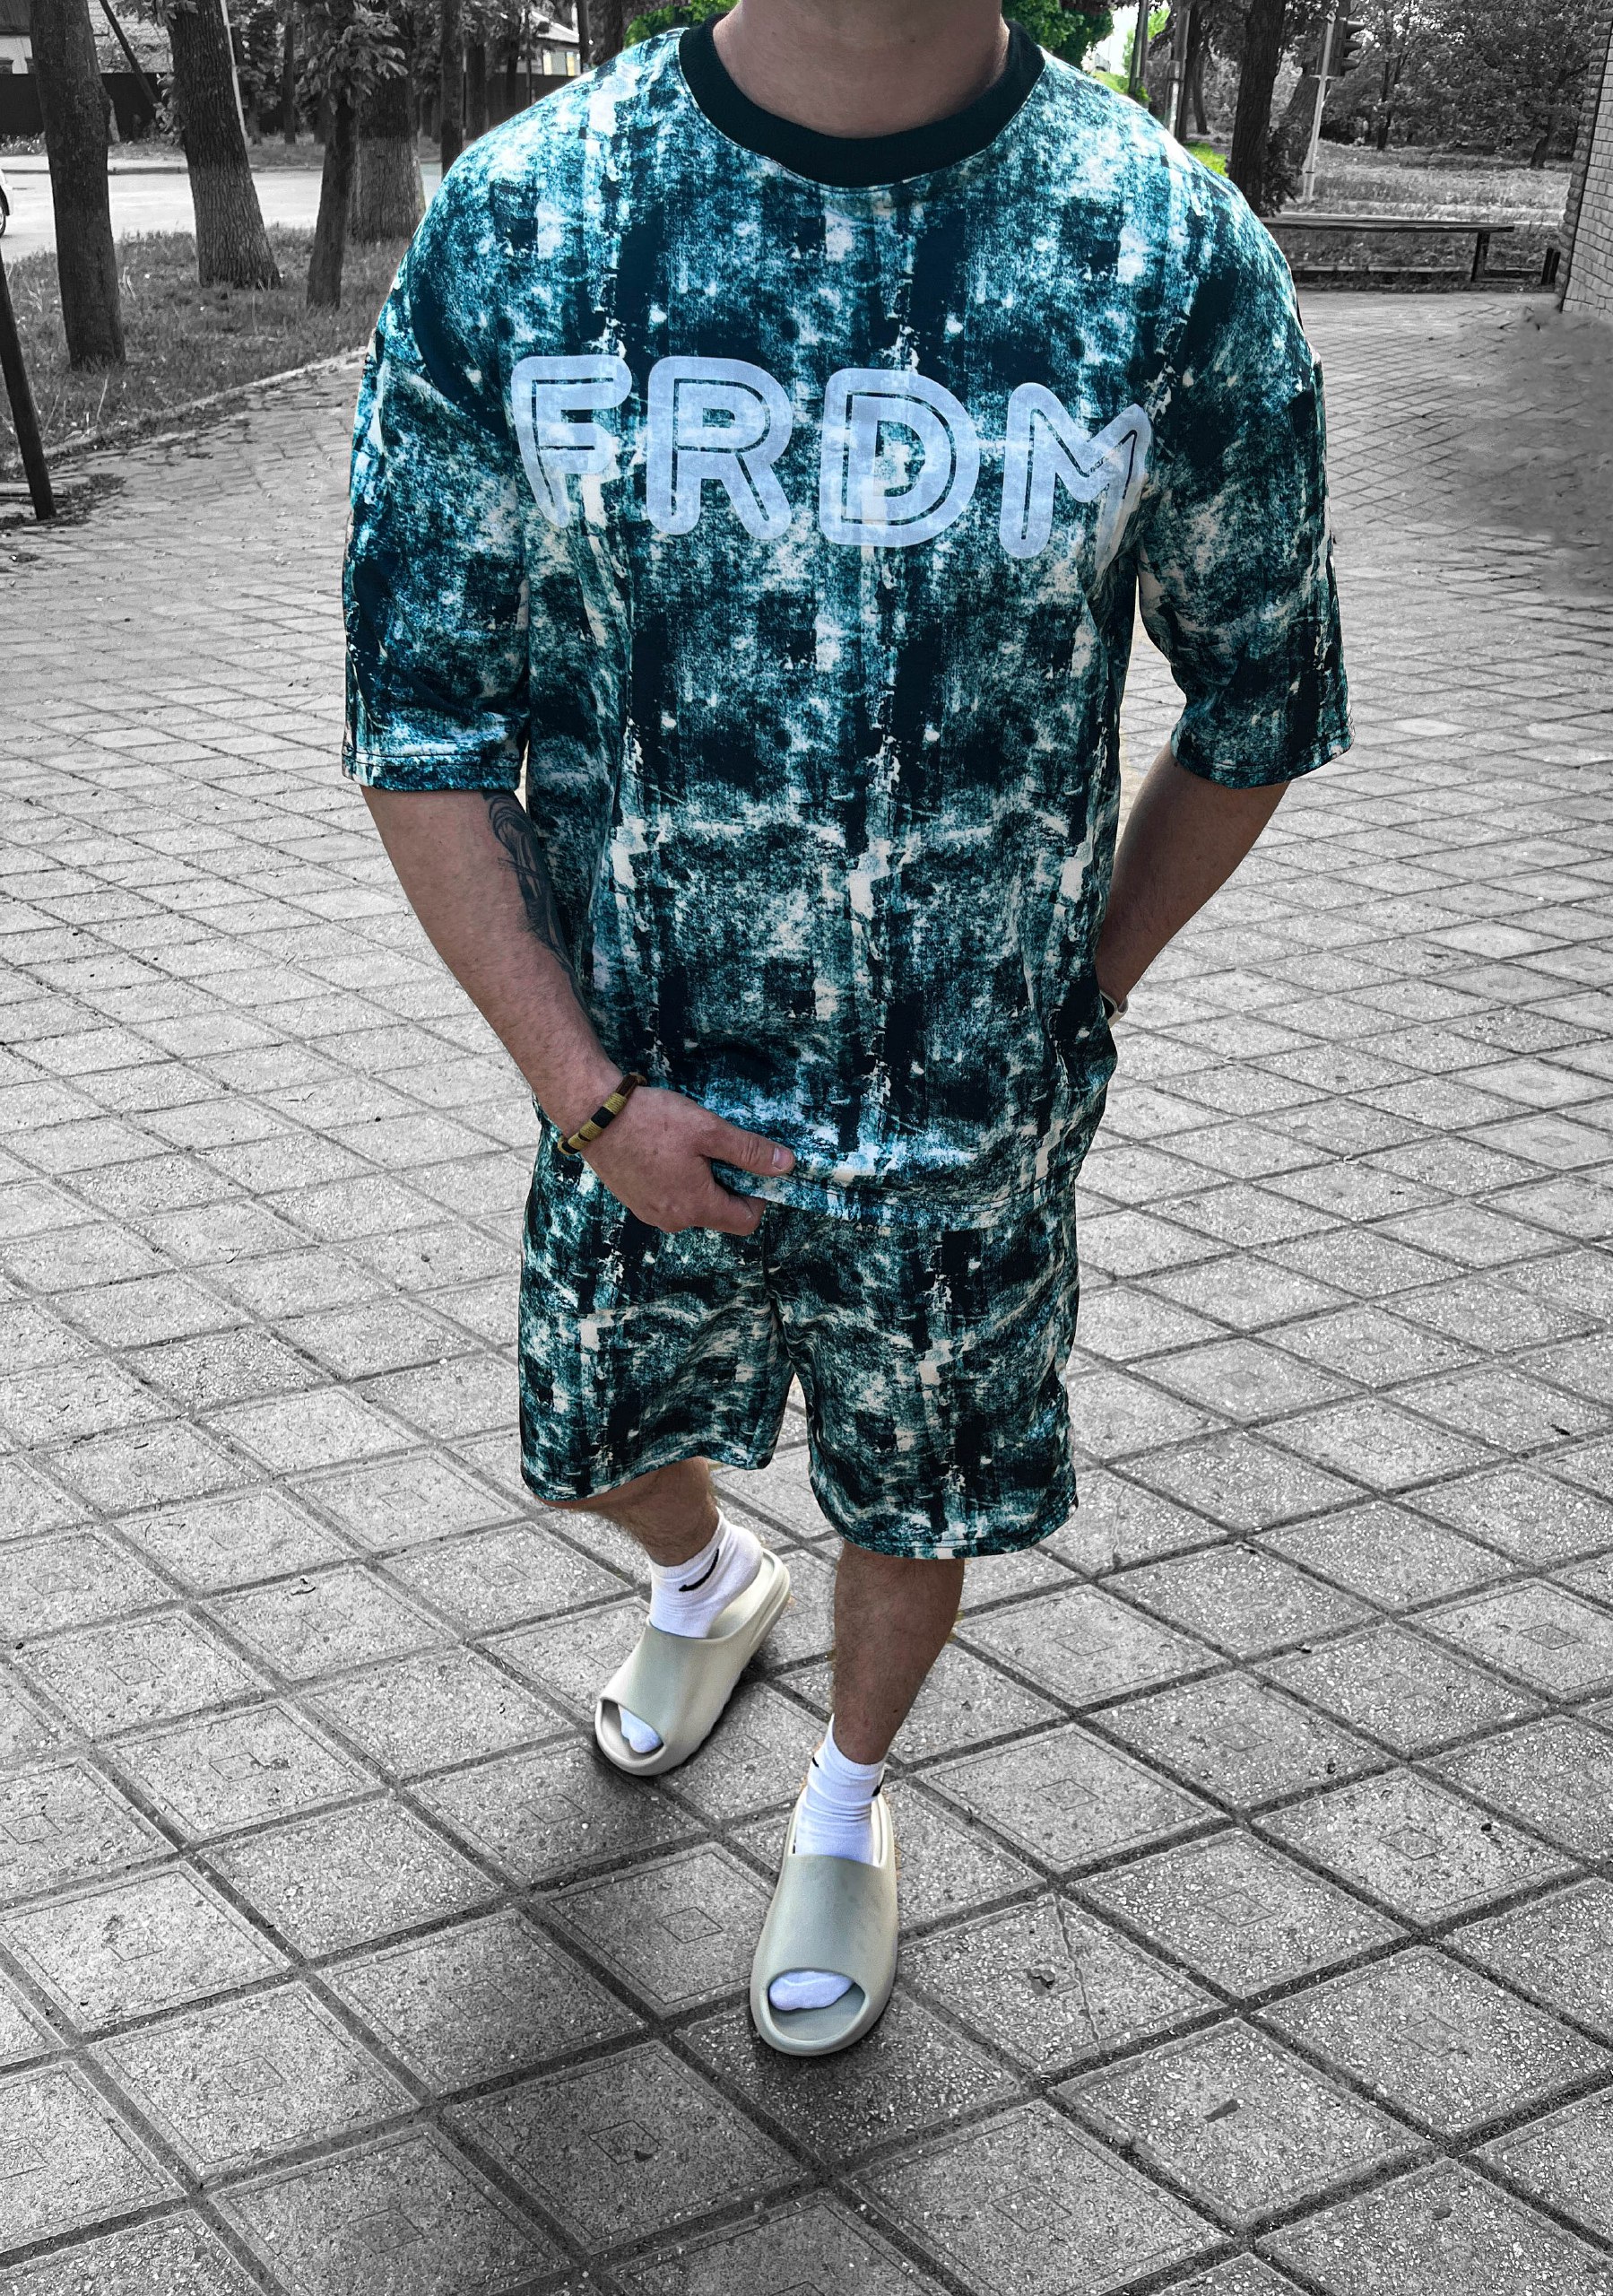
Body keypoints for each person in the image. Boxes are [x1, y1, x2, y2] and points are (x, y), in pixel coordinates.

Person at [343, 0, 1349, 2057]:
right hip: (635, 1087)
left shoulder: (1162, 250)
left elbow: (1263, 692)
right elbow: (419, 717)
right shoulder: (533, 218)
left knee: (918, 1495)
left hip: (969, 1121)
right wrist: (582, 1089)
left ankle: (847, 1795)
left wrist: (1078, 988)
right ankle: (704, 1582)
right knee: (593, 1436)